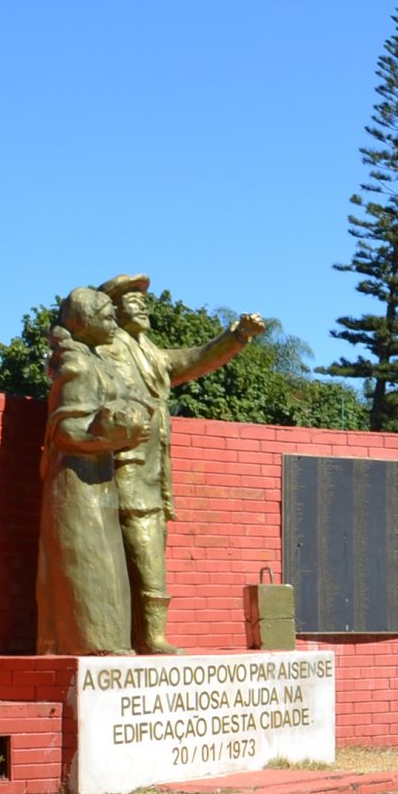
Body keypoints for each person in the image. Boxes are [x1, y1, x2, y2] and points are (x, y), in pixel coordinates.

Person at [97, 276, 266, 653]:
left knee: (149, 551)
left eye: (143, 302)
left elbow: (193, 359)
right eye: (132, 302)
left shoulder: (149, 352)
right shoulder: (108, 348)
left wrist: (237, 336)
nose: (142, 307)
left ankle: (143, 636)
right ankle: (149, 638)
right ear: (114, 312)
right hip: (126, 470)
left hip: (153, 474)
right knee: (143, 555)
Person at [35, 288, 148, 654]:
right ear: (83, 322)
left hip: (100, 480)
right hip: (76, 486)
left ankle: (108, 644)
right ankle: (90, 644)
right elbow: (65, 432)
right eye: (106, 316)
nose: (114, 322)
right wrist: (113, 436)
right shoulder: (79, 366)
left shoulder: (97, 361)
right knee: (90, 570)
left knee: (110, 572)